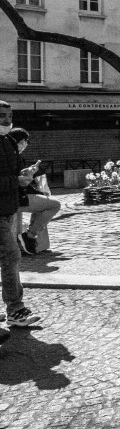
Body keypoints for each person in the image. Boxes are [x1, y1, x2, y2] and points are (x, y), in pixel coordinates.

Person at [0, 101, 40, 326]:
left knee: (8, 256)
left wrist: (24, 174)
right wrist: (16, 180)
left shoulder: (8, 141)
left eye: (9, 115)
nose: (7, 120)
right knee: (11, 255)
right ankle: (15, 309)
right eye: (1, 116)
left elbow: (14, 173)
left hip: (8, 208)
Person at [8, 128, 59, 255]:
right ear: (20, 141)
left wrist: (28, 172)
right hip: (14, 199)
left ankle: (36, 244)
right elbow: (18, 182)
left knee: (44, 201)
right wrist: (25, 176)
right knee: (55, 205)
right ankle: (29, 236)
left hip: (16, 196)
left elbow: (19, 178)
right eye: (25, 141)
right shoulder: (12, 157)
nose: (26, 145)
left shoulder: (14, 156)